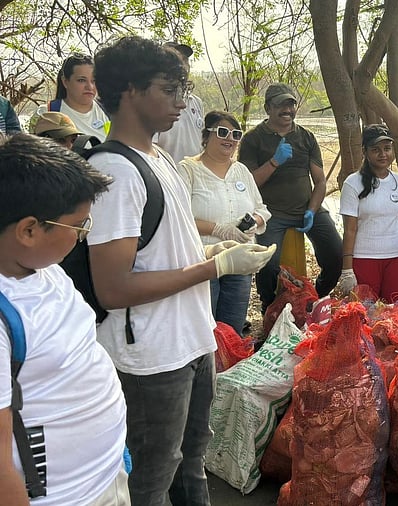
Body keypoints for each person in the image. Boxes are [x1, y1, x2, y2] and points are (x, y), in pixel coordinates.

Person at [88, 36, 275, 505]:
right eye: (169, 89)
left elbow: (169, 242)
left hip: (191, 339)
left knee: (192, 462)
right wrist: (214, 268)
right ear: (131, 91)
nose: (181, 102)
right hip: (151, 357)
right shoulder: (115, 173)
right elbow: (112, 288)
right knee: (152, 477)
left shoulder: (161, 159)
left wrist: (221, 244)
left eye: (184, 89)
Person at [0, 134, 129, 505]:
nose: (84, 237)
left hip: (103, 475)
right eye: (79, 227)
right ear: (29, 230)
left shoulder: (45, 268)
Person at [239, 83, 342, 308]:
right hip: (271, 213)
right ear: (267, 108)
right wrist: (274, 161)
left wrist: (312, 210)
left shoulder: (306, 137)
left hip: (307, 208)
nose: (287, 111)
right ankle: (270, 307)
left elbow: (321, 181)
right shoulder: (252, 139)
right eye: (280, 106)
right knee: (268, 263)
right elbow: (248, 183)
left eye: (291, 105)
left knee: (336, 255)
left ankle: (312, 297)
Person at [177, 110, 271, 335]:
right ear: (206, 136)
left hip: (240, 261)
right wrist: (219, 229)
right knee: (204, 330)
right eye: (222, 132)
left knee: (231, 330)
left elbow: (262, 209)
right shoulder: (188, 169)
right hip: (202, 259)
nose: (229, 138)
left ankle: (228, 368)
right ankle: (206, 370)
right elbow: (178, 217)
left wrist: (252, 222)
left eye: (236, 134)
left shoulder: (241, 171)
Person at [335, 125, 398, 302]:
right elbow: (350, 230)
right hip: (364, 258)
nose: (383, 154)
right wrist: (347, 270)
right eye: (376, 150)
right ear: (365, 152)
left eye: (387, 149)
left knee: (396, 311)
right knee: (366, 314)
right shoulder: (353, 183)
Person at [36, 54, 109, 140]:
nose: (90, 87)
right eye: (81, 80)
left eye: (94, 81)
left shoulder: (109, 111)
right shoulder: (47, 113)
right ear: (65, 81)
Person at [156, 42, 204, 164]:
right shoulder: (156, 101)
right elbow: (151, 146)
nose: (183, 65)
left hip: (194, 175)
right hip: (167, 175)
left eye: (185, 60)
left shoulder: (196, 102)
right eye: (177, 59)